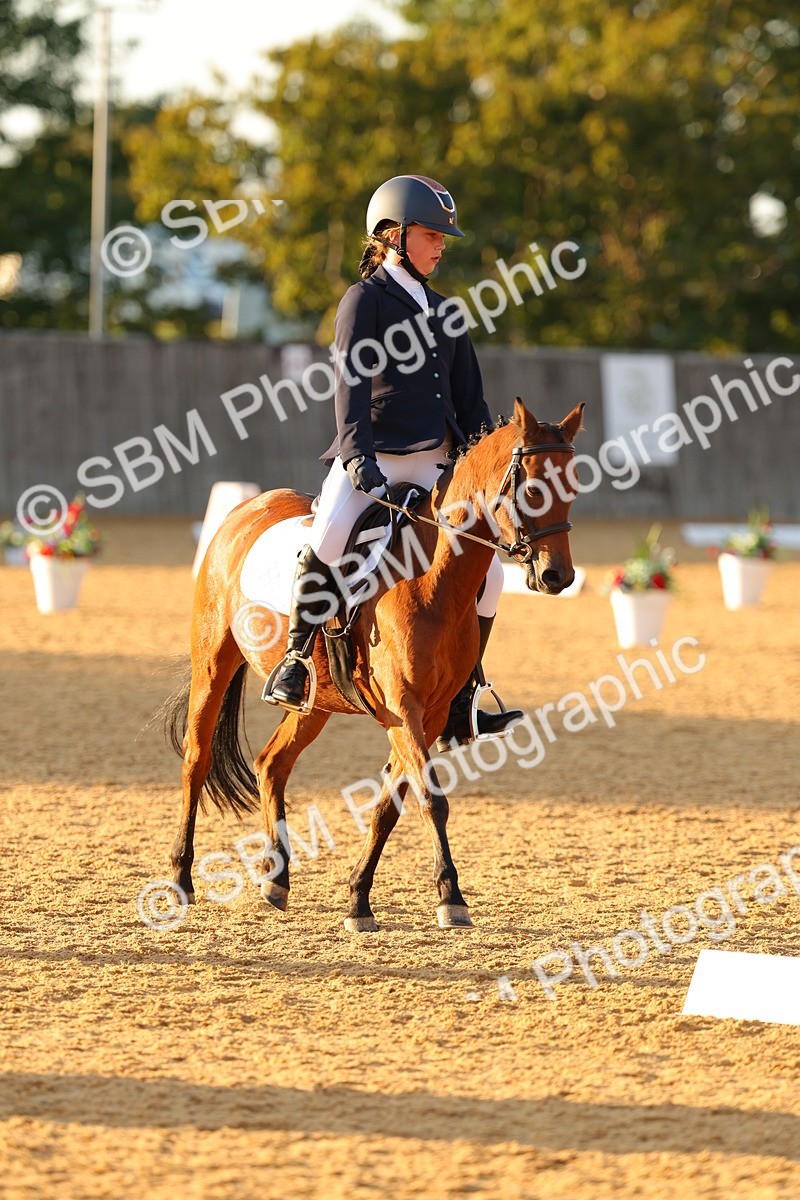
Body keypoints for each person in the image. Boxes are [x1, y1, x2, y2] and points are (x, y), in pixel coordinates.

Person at [263, 173, 522, 749]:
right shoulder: (365, 300)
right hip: (374, 458)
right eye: (431, 235)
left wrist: (483, 463)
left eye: (442, 238)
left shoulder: (446, 311)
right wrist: (356, 456)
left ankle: (463, 697)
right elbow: (350, 386)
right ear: (393, 235)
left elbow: (472, 403)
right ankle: (297, 660)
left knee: (491, 574)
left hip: (436, 466)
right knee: (329, 537)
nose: (440, 247)